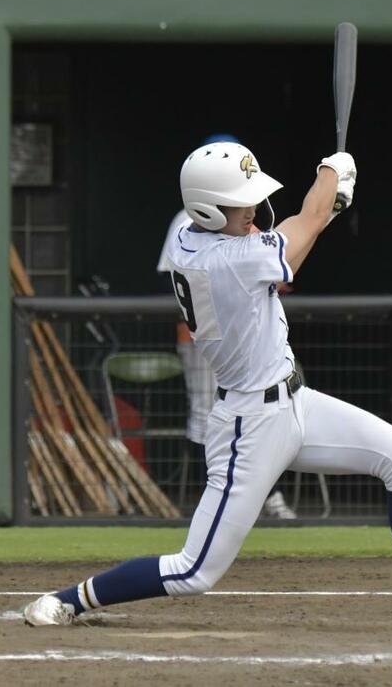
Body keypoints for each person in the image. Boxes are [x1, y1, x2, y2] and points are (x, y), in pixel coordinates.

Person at [24, 141, 392, 630]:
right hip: (249, 425)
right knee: (194, 571)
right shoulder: (223, 261)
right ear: (207, 209)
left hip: (296, 402)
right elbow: (300, 229)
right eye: (240, 202)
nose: (252, 208)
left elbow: (296, 235)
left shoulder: (192, 238)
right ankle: (69, 600)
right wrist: (330, 172)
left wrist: (328, 206)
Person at [156, 133, 297, 521]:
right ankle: (214, 497)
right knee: (206, 412)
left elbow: (274, 274)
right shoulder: (186, 226)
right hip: (204, 336)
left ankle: (262, 496)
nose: (248, 204)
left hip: (247, 335)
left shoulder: (241, 224)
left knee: (266, 417)